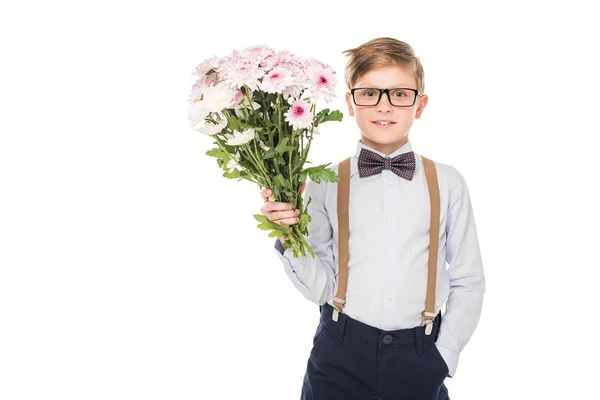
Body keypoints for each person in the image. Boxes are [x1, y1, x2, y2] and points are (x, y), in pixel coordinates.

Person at [259, 37, 485, 400]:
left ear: (420, 104)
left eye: (399, 94)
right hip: (339, 354)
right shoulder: (323, 182)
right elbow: (321, 289)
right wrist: (290, 235)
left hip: (420, 355)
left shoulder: (448, 181)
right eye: (369, 94)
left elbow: (468, 279)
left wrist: (444, 356)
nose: (384, 105)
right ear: (350, 102)